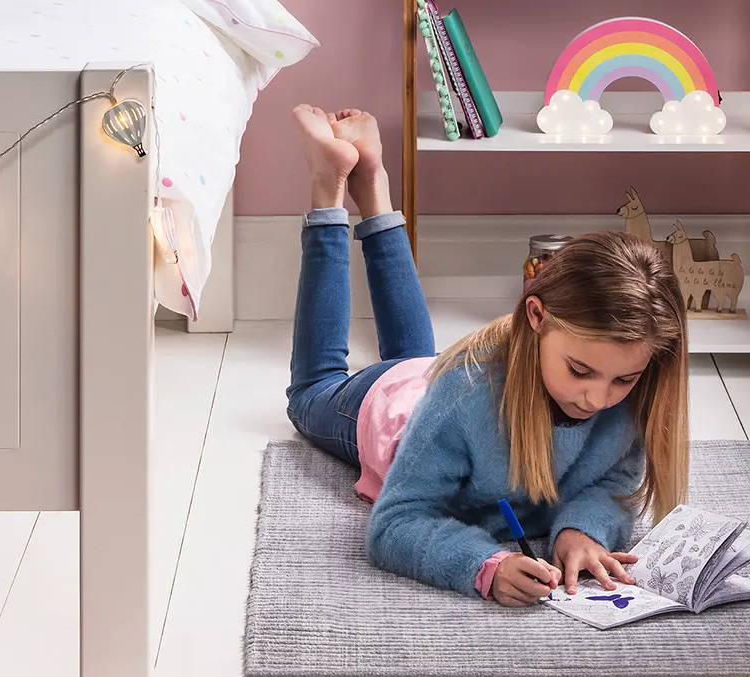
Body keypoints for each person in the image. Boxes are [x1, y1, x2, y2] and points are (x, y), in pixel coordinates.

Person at [285, 104, 691, 607]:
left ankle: (371, 178)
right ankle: (329, 186)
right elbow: (396, 522)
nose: (596, 398)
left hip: (433, 379)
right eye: (580, 371)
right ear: (537, 317)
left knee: (420, 356)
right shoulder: (466, 396)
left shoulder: (632, 389)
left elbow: (614, 483)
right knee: (311, 391)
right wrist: (483, 565)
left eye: (622, 380)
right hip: (386, 406)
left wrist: (582, 530)